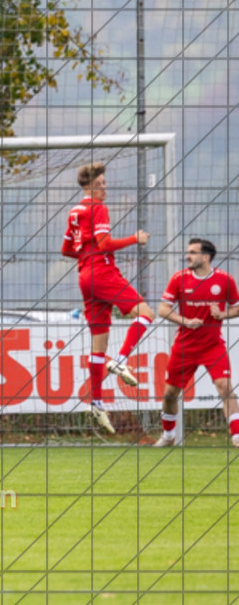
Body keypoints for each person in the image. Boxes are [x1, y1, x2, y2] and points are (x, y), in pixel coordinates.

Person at [62, 162, 150, 434]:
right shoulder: (97, 208)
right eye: (100, 185)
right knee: (146, 313)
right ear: (88, 186)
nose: (105, 188)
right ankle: (121, 360)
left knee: (99, 343)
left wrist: (88, 260)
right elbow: (104, 244)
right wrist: (135, 238)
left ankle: (97, 403)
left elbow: (67, 249)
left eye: (105, 183)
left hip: (84, 277)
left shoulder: (75, 211)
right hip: (101, 272)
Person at [153, 238, 239, 448]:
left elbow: (237, 308)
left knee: (225, 388)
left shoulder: (225, 280)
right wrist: (186, 321)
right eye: (188, 252)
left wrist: (222, 314)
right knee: (170, 394)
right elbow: (163, 309)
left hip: (212, 346)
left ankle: (237, 437)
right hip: (184, 347)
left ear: (206, 257)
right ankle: (168, 435)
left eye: (192, 252)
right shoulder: (179, 279)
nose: (187, 256)